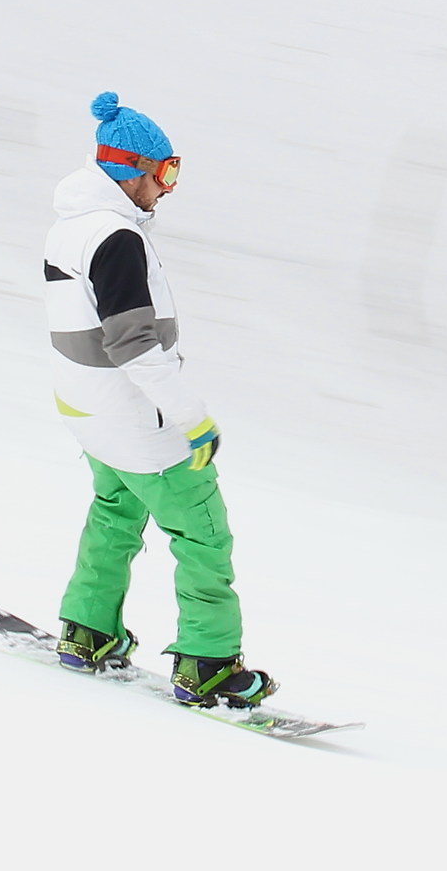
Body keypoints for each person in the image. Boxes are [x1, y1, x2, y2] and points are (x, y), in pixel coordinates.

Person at [43, 91, 275, 708]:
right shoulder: (118, 238)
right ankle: (208, 664)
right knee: (202, 535)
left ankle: (87, 630)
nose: (168, 189)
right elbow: (134, 345)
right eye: (165, 173)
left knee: (114, 514)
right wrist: (191, 416)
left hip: (87, 411)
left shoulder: (70, 227)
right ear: (131, 171)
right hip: (136, 418)